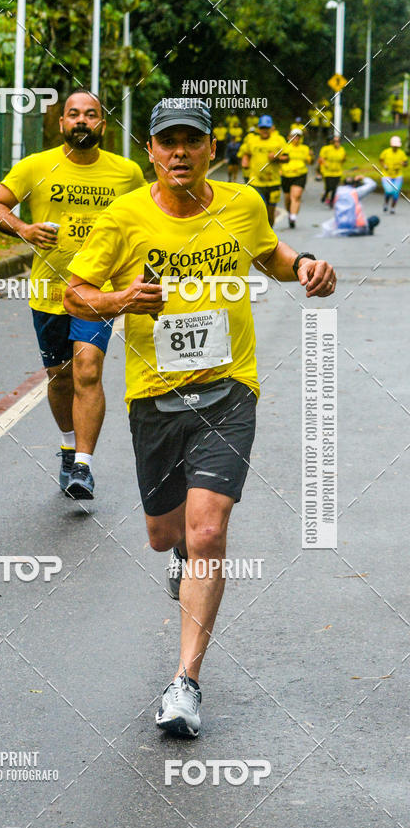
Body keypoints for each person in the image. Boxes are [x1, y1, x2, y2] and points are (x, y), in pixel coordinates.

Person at [65, 100, 336, 737]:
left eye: (192, 140)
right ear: (151, 154)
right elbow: (77, 289)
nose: (180, 152)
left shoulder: (241, 203)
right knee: (166, 536)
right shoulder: (124, 216)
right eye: (168, 143)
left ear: (213, 149)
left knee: (208, 531)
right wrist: (121, 298)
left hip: (228, 390)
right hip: (153, 398)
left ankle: (185, 682)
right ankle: (179, 557)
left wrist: (303, 268)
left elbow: (268, 253)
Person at [0, 89, 145, 499]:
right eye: (73, 114)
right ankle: (69, 444)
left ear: (102, 125)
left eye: (90, 115)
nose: (81, 121)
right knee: (60, 379)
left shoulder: (125, 173)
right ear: (61, 123)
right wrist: (24, 229)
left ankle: (83, 467)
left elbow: (146, 217)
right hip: (49, 291)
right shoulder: (36, 166)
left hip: (98, 292)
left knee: (87, 369)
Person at [239, 114, 288, 226]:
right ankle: (259, 238)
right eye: (262, 128)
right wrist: (245, 161)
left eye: (267, 128)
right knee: (259, 211)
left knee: (270, 215)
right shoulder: (252, 141)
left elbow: (287, 158)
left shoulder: (279, 140)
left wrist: (277, 158)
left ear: (271, 128)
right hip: (256, 182)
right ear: (258, 129)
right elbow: (246, 153)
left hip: (273, 182)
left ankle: (268, 236)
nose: (264, 130)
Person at [281, 128, 313, 228]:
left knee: (296, 195)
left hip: (300, 174)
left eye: (298, 136)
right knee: (287, 198)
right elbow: (278, 159)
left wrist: (312, 156)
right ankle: (290, 213)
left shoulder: (305, 148)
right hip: (286, 175)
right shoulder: (284, 147)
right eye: (294, 136)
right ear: (289, 137)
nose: (296, 138)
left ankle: (293, 217)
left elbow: (310, 161)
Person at [379, 135, 408, 213]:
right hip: (386, 175)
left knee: (396, 192)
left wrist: (403, 163)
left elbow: (406, 163)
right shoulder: (386, 152)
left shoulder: (401, 153)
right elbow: (381, 159)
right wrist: (384, 165)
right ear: (391, 145)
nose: (395, 147)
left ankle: (392, 208)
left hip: (397, 176)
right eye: (394, 145)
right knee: (388, 191)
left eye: (396, 146)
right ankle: (386, 203)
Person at [318, 135, 346, 206]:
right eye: (335, 141)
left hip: (337, 171)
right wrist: (325, 164)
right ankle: (326, 194)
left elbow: (343, 159)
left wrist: (343, 159)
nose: (337, 143)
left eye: (338, 141)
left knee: (334, 187)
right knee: (329, 186)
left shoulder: (342, 149)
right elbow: (321, 158)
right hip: (328, 171)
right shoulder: (326, 149)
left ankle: (332, 201)